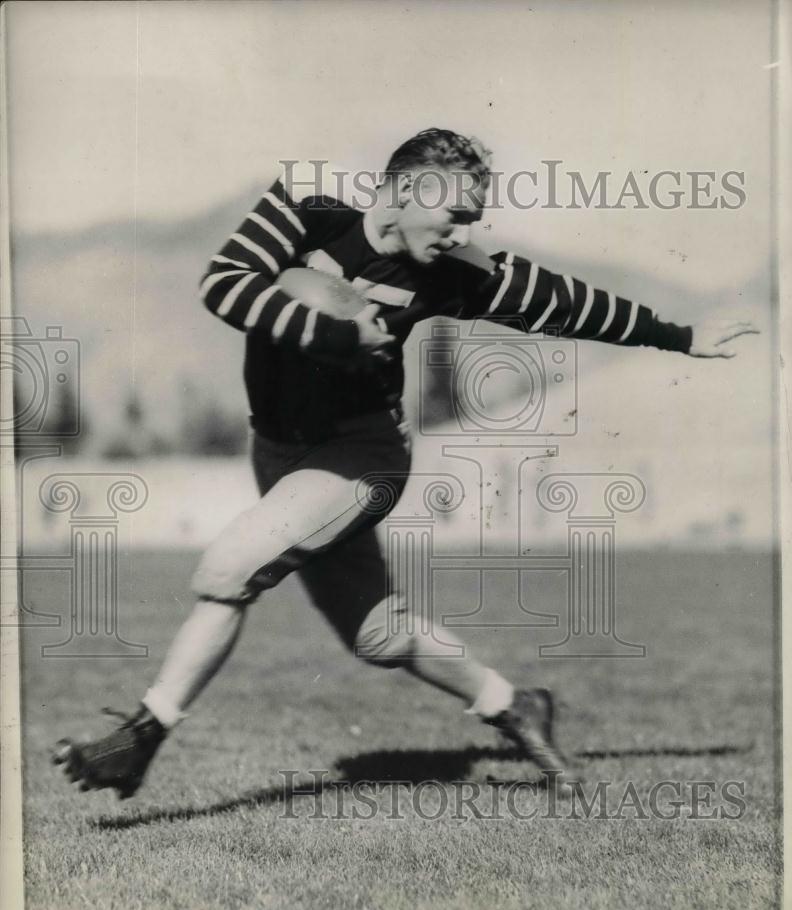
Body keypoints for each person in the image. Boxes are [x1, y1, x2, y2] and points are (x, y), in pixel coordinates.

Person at [52, 128, 758, 800]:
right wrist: (334, 334)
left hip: (363, 457)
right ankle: (515, 706)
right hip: (280, 450)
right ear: (409, 187)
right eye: (454, 213)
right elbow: (224, 283)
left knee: (229, 568)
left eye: (472, 221)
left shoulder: (455, 272)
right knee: (378, 634)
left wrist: (682, 335)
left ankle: (141, 739)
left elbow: (565, 303)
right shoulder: (308, 207)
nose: (462, 234)